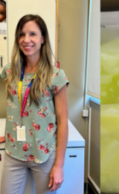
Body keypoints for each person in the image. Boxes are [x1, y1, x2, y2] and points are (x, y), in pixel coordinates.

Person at [0, 14, 69, 194]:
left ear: (43, 39)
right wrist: (9, 132)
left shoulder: (56, 76)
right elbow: (16, 107)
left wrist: (59, 165)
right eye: (22, 34)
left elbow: (62, 121)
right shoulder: (9, 71)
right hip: (13, 153)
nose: (26, 40)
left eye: (33, 34)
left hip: (44, 154)